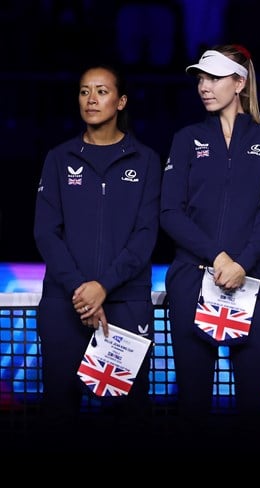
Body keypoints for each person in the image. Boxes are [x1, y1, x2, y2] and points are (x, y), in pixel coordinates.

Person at [159, 44, 260, 450]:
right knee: (192, 407)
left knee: (254, 410)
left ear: (239, 82)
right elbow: (169, 211)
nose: (204, 86)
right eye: (200, 78)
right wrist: (218, 258)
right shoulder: (186, 139)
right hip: (193, 283)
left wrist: (244, 263)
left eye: (214, 77)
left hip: (256, 285)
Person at [33, 64, 162, 449]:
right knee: (58, 414)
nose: (91, 99)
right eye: (84, 91)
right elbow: (45, 232)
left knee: (127, 419)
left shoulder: (146, 160)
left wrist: (103, 287)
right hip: (64, 303)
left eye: (102, 91)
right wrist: (81, 290)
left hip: (125, 305)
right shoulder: (58, 158)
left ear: (120, 101)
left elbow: (145, 235)